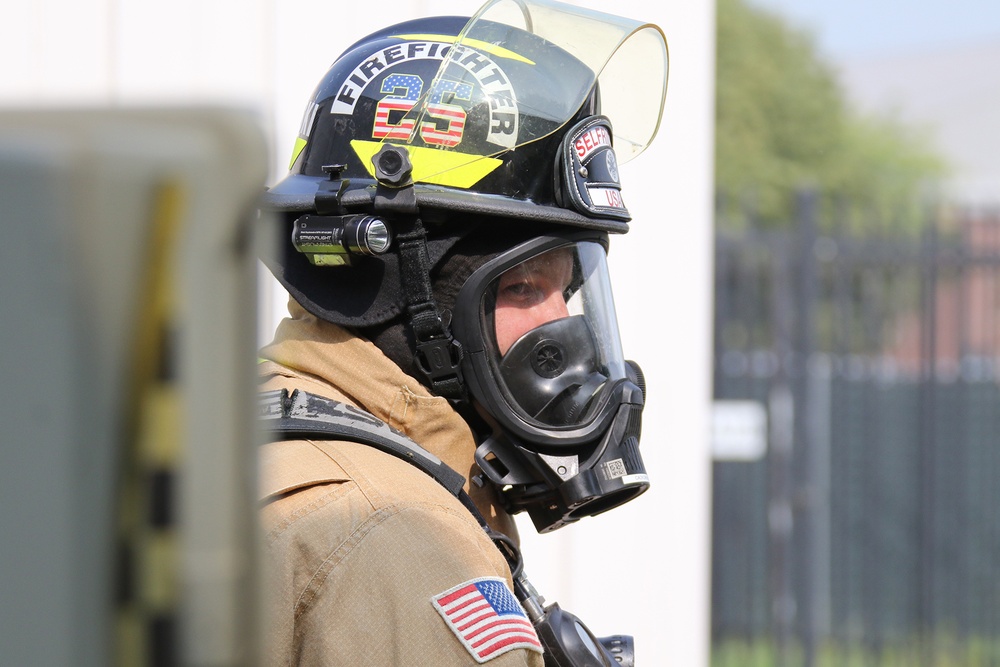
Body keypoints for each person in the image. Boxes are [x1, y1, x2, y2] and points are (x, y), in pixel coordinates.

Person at [257, 1, 668, 664]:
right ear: (401, 289)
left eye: (567, 289)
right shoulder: (391, 533)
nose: (561, 325)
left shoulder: (247, 443)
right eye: (524, 288)